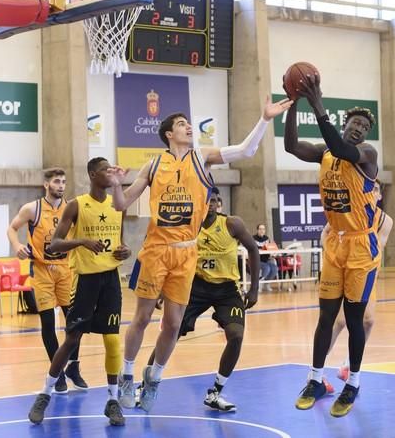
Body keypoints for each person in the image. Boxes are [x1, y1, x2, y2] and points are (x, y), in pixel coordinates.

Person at [108, 96, 292, 413]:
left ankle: (154, 380)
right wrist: (114, 183)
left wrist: (264, 119)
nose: (189, 127)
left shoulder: (202, 158)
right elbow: (121, 205)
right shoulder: (153, 164)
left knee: (173, 325)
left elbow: (246, 151)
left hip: (186, 254)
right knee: (141, 318)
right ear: (168, 133)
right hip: (155, 251)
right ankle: (126, 375)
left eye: (189, 123)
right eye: (182, 124)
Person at [284, 73, 379, 417]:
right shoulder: (325, 152)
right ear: (344, 123)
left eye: (364, 127)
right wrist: (294, 105)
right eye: (354, 123)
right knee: (325, 318)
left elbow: (341, 148)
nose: (359, 130)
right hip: (335, 244)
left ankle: (352, 382)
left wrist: (317, 102)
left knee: (354, 320)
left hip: (360, 246)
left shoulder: (366, 153)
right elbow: (291, 146)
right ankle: (314, 378)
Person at [28, 157, 131, 426]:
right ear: (93, 175)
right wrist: (82, 241)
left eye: (112, 170)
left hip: (110, 279)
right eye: (106, 170)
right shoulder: (76, 205)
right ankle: (44, 394)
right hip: (84, 280)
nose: (111, 173)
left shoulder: (117, 205)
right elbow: (54, 245)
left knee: (112, 340)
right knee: (72, 339)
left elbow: (121, 242)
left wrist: (125, 251)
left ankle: (112, 401)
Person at [142, 188, 261, 412]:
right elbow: (171, 256)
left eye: (216, 200)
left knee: (236, 335)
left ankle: (216, 392)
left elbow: (253, 249)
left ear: (220, 204)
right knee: (170, 333)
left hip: (227, 289)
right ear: (200, 204)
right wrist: (161, 288)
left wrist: (254, 289)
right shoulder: (189, 226)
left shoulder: (232, 224)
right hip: (194, 285)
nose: (213, 204)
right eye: (209, 200)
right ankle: (145, 386)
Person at [7, 168, 86, 393]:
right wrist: (17, 245)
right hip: (42, 270)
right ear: (46, 185)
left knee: (74, 322)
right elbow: (12, 229)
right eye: (57, 182)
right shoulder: (32, 208)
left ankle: (73, 366)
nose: (61, 185)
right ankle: (57, 371)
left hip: (66, 270)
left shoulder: (72, 207)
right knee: (48, 323)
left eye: (63, 181)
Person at [324, 180, 394, 384]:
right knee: (339, 322)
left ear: (379, 196)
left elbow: (376, 250)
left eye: (376, 190)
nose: (372, 193)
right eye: (368, 190)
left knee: (369, 321)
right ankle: (316, 372)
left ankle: (347, 364)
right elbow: (325, 234)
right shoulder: (348, 213)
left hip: (365, 272)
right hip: (343, 270)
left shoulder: (385, 221)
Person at [252, 224, 278, 290]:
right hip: (257, 260)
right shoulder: (253, 238)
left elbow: (269, 248)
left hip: (266, 260)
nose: (262, 231)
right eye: (260, 229)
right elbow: (254, 248)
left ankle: (267, 283)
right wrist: (261, 248)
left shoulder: (267, 238)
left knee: (275, 268)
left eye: (263, 229)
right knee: (267, 268)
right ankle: (259, 284)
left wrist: (273, 253)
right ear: (257, 230)